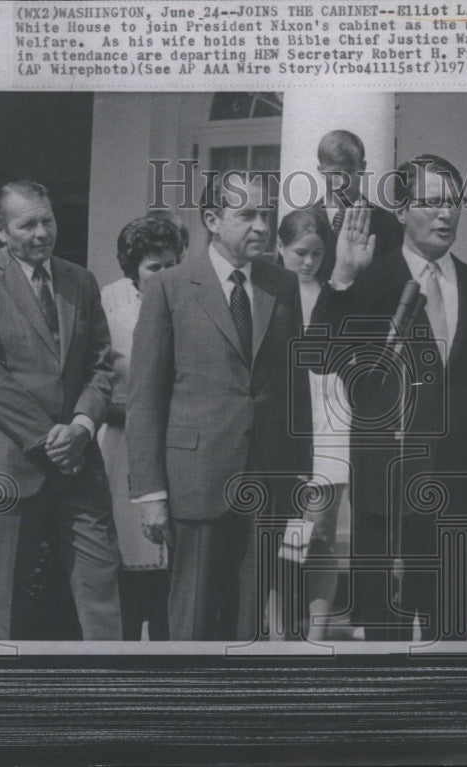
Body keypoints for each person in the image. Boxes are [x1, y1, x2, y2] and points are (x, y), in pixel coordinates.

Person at [126, 173, 312, 642]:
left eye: (266, 214)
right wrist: (151, 494)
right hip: (197, 480)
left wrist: (298, 475)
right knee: (191, 617)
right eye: (246, 215)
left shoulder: (282, 284)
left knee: (249, 620)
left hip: (267, 479)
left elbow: (295, 385)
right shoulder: (169, 287)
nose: (262, 227)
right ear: (212, 220)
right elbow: (146, 397)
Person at [324, 154, 467, 641]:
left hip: (460, 494)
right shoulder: (368, 279)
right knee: (386, 644)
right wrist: (340, 279)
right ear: (401, 210)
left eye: (454, 203)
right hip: (386, 492)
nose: (446, 214)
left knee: (450, 639)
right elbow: (322, 353)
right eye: (432, 202)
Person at [0, 179, 122, 640]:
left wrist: (83, 426)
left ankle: (113, 695)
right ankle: (0, 703)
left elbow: (101, 366)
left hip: (79, 460)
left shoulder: (80, 281)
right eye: (28, 224)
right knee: (3, 601)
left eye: (48, 220)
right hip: (9, 458)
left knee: (101, 586)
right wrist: (53, 439)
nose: (42, 232)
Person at [98, 214, 185, 640]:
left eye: (172, 264)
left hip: (177, 445)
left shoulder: (189, 300)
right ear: (134, 268)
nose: (165, 274)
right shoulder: (109, 308)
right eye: (155, 267)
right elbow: (94, 378)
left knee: (173, 567)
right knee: (131, 559)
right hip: (124, 446)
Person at [275, 207, 351, 640]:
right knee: (282, 539)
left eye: (317, 253)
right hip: (281, 425)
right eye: (299, 252)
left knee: (319, 533)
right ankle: (279, 634)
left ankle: (316, 637)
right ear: (280, 248)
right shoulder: (266, 292)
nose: (308, 262)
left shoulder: (335, 295)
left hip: (329, 421)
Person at [318, 129, 404, 266]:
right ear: (320, 171)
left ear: (363, 167)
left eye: (350, 171)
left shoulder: (389, 225)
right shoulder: (300, 220)